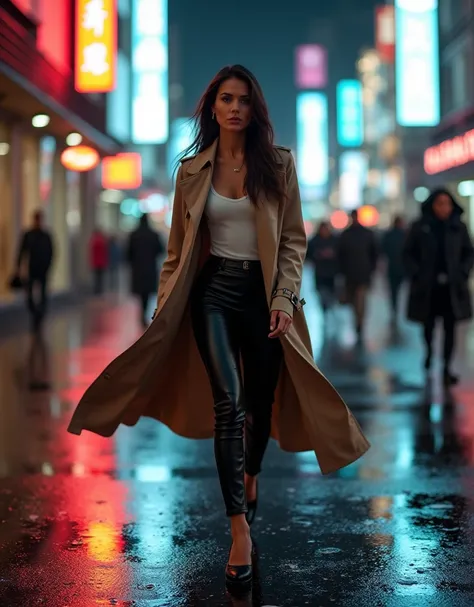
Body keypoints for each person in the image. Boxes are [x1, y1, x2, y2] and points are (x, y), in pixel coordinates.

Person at [67, 65, 370, 595]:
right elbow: (177, 251)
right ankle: (238, 531)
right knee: (228, 404)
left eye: (244, 100)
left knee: (259, 403)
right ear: (212, 108)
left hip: (266, 299)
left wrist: (283, 297)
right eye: (226, 99)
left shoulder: (279, 164)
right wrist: (165, 305)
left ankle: (250, 474)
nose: (235, 108)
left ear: (255, 110)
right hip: (212, 294)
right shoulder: (191, 170)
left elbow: (293, 242)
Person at [403, 189, 474, 384]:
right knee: (428, 326)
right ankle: (429, 354)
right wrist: (417, 274)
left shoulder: (458, 227)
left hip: (452, 287)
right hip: (428, 288)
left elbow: (469, 252)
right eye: (440, 204)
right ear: (432, 205)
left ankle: (446, 367)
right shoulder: (421, 227)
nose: (444, 208)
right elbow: (408, 253)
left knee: (451, 328)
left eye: (447, 204)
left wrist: (462, 272)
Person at [338, 209, 378, 340]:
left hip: (359, 274)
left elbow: (374, 254)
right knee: (355, 301)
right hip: (355, 274)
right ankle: (358, 321)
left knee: (360, 300)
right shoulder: (361, 234)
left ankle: (359, 322)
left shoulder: (349, 234)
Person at [16, 209, 54, 332]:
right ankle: (35, 313)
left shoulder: (45, 236)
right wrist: (18, 267)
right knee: (29, 295)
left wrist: (48, 265)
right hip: (32, 269)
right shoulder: (29, 235)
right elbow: (22, 251)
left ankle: (40, 314)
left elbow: (51, 252)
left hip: (43, 269)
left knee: (43, 295)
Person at [127, 214, 165, 328]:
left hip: (138, 269)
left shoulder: (133, 235)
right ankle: (144, 315)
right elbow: (161, 250)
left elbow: (128, 254)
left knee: (140, 294)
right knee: (147, 294)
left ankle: (142, 315)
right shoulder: (154, 235)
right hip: (150, 269)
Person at [306, 221, 338, 314]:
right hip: (320, 273)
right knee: (322, 293)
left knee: (331, 294)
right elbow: (308, 254)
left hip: (332, 273)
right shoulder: (314, 241)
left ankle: (329, 309)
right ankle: (325, 308)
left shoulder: (334, 240)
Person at [381, 215, 406, 323]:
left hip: (393, 267)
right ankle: (397, 309)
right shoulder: (404, 235)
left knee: (393, 291)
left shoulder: (389, 235)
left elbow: (383, 250)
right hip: (401, 268)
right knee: (399, 290)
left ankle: (394, 309)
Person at [89, 229, 108, 295]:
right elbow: (105, 253)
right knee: (100, 278)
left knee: (96, 277)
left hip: (95, 262)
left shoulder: (93, 241)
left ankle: (96, 290)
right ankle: (100, 290)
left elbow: (92, 253)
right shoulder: (103, 241)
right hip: (101, 262)